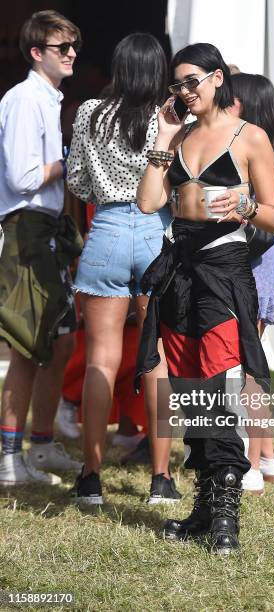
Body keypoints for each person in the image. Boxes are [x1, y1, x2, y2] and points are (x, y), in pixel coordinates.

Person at [136, 43, 274, 554]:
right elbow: (150, 200)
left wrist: (243, 203)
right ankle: (203, 507)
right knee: (188, 389)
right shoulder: (180, 136)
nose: (184, 92)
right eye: (177, 84)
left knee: (217, 386)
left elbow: (273, 216)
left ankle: (225, 518)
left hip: (223, 271)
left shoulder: (250, 137)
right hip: (179, 271)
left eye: (192, 81)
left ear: (218, 79)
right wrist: (163, 137)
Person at [67, 33, 178, 505]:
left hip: (108, 230)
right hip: (156, 232)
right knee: (155, 361)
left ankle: (91, 477)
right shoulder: (171, 117)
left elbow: (76, 180)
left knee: (100, 360)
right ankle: (161, 478)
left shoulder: (91, 112)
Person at [0, 10, 83, 485]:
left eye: (73, 46)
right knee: (30, 346)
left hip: (46, 230)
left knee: (60, 341)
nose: (72, 54)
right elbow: (23, 176)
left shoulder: (47, 99)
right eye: (61, 47)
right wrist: (69, 161)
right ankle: (11, 456)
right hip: (26, 230)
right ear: (37, 53)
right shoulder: (25, 100)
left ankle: (43, 444)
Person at [230, 72, 274, 494]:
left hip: (251, 265)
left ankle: (251, 465)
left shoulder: (249, 151)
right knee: (252, 363)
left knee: (246, 371)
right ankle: (268, 457)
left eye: (233, 99)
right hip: (270, 263)